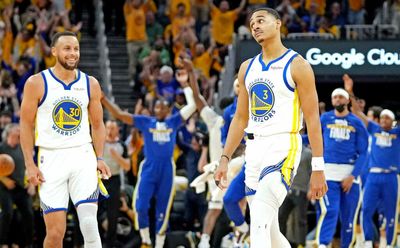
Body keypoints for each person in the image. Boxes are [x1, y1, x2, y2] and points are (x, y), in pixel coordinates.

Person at [214, 7, 328, 247]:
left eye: (261, 20)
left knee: (258, 225)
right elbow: (240, 118)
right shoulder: (247, 67)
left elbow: (313, 119)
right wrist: (224, 158)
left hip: (283, 145)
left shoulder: (298, 65)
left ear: (278, 24)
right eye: (252, 22)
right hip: (254, 150)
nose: (255, 25)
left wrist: (318, 167)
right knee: (270, 230)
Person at [20, 31, 111, 248]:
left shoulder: (91, 83)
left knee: (89, 224)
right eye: (67, 48)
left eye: (76, 49)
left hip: (82, 154)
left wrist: (99, 157)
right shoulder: (36, 83)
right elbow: (25, 124)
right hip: (50, 159)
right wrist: (29, 164)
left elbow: (98, 125)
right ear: (54, 51)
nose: (73, 53)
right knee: (54, 234)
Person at [100, 65, 196, 248]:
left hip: (167, 169)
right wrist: (104, 99)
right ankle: (145, 239)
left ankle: (159, 244)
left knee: (163, 210)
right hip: (150, 167)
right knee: (141, 206)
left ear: (168, 110)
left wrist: (185, 84)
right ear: (153, 110)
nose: (159, 108)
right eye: (157, 106)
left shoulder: (173, 121)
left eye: (163, 106)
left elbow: (192, 106)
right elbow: (120, 115)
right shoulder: (145, 122)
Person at [344, 74, 400, 248]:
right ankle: (368, 242)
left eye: (387, 118)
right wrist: (350, 92)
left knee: (391, 213)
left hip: (392, 177)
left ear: (393, 121)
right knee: (366, 210)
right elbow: (357, 112)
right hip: (373, 176)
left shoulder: (397, 133)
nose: (383, 120)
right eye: (381, 117)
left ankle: (389, 244)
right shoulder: (374, 128)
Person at [314, 88, 368, 248]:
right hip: (328, 174)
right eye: (335, 97)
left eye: (341, 97)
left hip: (350, 175)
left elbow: (364, 152)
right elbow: (312, 139)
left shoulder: (357, 122)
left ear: (347, 101)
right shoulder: (324, 118)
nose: (338, 100)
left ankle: (347, 245)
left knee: (348, 217)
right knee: (329, 211)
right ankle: (323, 244)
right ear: (332, 101)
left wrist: (353, 176)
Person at [0, 124, 34, 247]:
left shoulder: (22, 148)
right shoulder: (2, 147)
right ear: (9, 132)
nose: (20, 130)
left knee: (28, 214)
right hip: (5, 187)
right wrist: (3, 179)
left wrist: (31, 184)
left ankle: (27, 244)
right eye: (17, 128)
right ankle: (3, 243)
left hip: (20, 187)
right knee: (7, 212)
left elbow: (29, 167)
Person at [100, 120, 130, 247]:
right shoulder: (99, 143)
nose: (110, 130)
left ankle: (110, 244)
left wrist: (117, 157)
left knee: (113, 216)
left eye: (113, 128)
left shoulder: (122, 145)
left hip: (114, 180)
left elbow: (127, 166)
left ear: (118, 129)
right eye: (108, 128)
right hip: (99, 180)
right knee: (95, 212)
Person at [278, 144, 312, 248]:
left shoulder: (308, 153)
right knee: (281, 217)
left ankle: (301, 244)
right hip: (288, 190)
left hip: (301, 191)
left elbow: (312, 172)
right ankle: (281, 243)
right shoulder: (287, 151)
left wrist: (310, 189)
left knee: (300, 220)